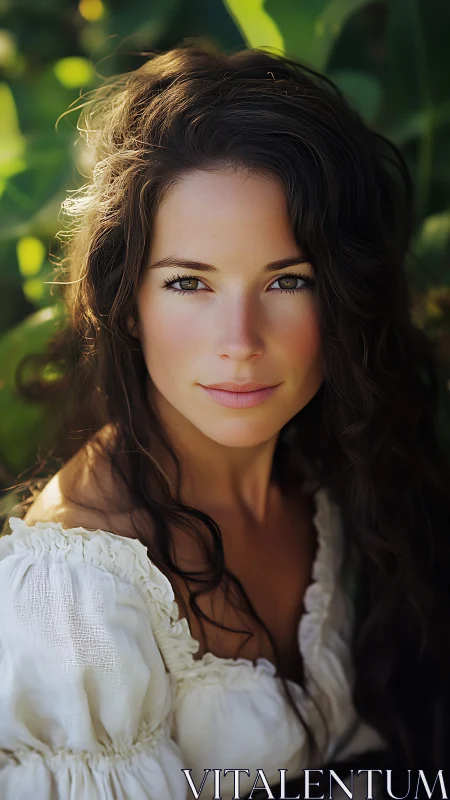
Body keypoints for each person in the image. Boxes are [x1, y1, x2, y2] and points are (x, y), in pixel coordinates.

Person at [0, 40, 449, 799]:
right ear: (127, 303)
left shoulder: (338, 474)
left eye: (287, 280)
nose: (240, 343)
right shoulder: (76, 597)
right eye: (188, 283)